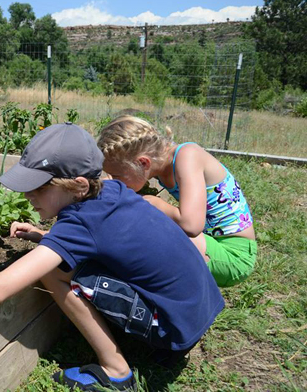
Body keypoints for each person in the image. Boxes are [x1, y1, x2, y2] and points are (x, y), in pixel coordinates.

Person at [0, 123, 224, 391]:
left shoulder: (80, 224)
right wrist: (45, 237)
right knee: (71, 261)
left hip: (172, 327)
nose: (28, 196)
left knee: (55, 273)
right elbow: (117, 240)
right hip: (198, 308)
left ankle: (115, 371)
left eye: (37, 188)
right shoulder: (110, 191)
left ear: (77, 185)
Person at [97, 115, 257, 288]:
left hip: (233, 255)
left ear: (143, 162)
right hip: (209, 243)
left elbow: (191, 225)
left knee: (146, 223)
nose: (114, 181)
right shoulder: (160, 164)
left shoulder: (187, 156)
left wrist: (153, 203)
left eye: (118, 176)